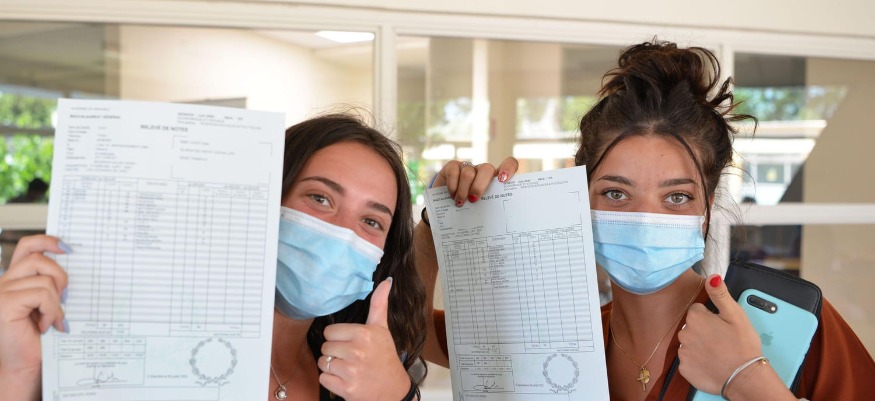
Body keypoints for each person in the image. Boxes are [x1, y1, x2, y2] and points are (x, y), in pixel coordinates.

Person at [415, 40, 875, 400]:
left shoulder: (791, 326)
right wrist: (440, 223)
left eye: (677, 197)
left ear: (708, 206)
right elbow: (411, 332)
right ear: (580, 200)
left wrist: (748, 380)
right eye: (616, 193)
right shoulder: (560, 340)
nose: (643, 220)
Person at [0, 113, 426, 401]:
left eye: (371, 221)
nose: (342, 232)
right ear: (263, 197)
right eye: (319, 198)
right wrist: (20, 375)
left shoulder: (362, 376)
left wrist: (396, 397)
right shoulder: (138, 351)